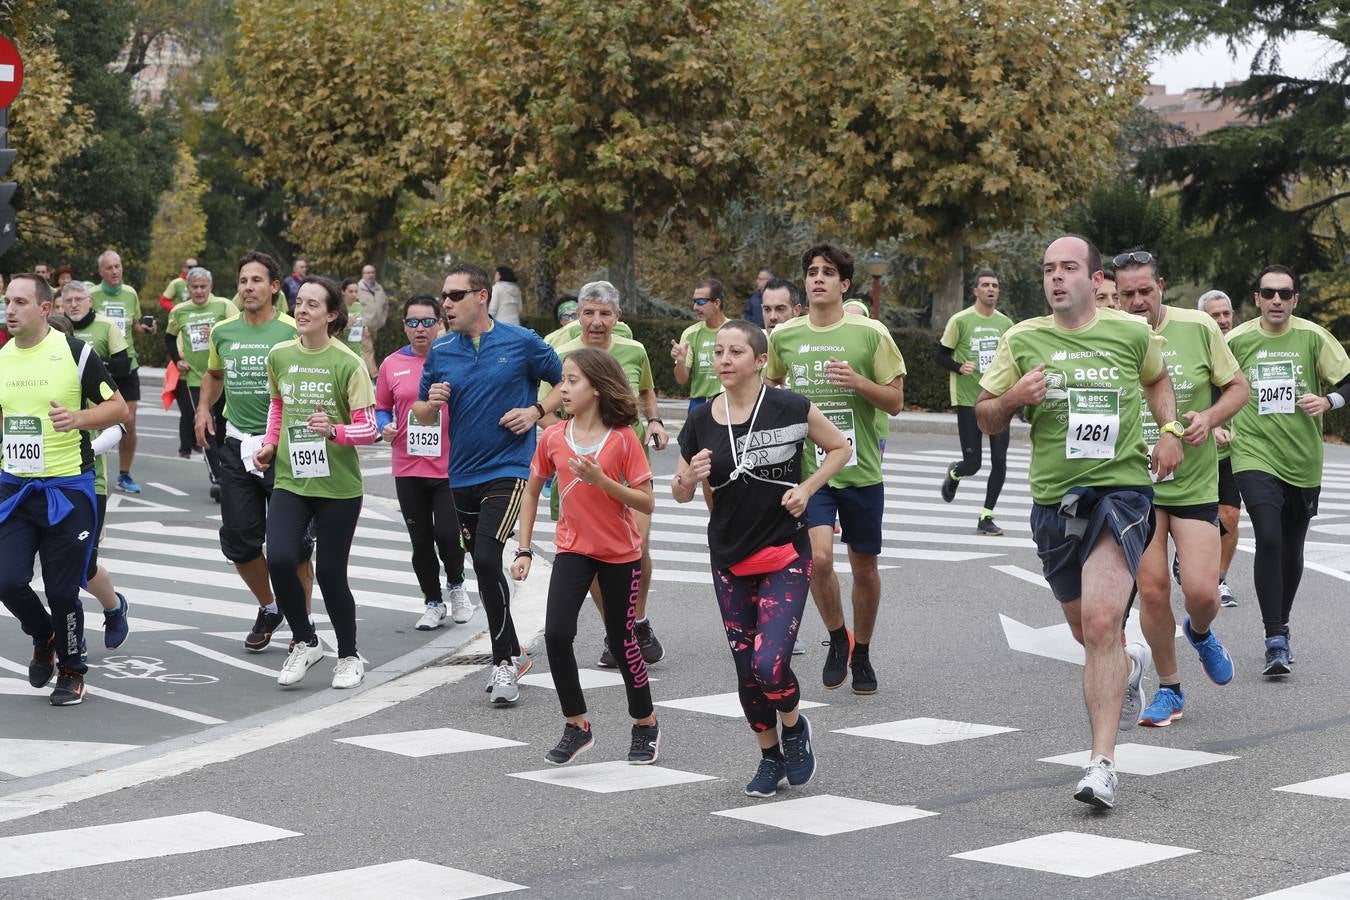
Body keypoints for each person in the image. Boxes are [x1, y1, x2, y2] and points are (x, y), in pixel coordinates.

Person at [976, 234, 1182, 810]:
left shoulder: (1131, 332)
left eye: (1069, 267)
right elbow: (986, 417)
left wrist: (1168, 432)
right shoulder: (1022, 338)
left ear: (1094, 279)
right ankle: (1129, 660)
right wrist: (1015, 395)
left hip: (1120, 491)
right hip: (1054, 502)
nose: (1057, 277)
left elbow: (1157, 380)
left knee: (1097, 621)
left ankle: (1102, 764)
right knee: (1087, 630)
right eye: (1048, 269)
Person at [676, 320, 851, 795]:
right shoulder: (699, 420)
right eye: (718, 352)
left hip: (784, 552)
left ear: (758, 360)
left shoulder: (788, 406)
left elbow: (839, 447)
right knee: (745, 671)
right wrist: (690, 476)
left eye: (736, 352)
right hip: (729, 556)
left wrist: (808, 488)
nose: (724, 360)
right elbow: (679, 492)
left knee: (769, 662)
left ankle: (794, 727)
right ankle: (769, 755)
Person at [413, 263, 563, 705]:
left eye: (455, 296)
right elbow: (420, 412)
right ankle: (513, 650)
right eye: (444, 296)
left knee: (483, 555)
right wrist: (430, 403)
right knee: (482, 563)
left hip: (510, 468)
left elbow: (567, 384)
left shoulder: (522, 343)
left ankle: (502, 662)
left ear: (482, 296)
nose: (446, 304)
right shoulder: (441, 351)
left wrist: (536, 412)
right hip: (461, 473)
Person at [765, 243, 906, 695]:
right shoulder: (784, 336)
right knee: (818, 558)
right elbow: (769, 385)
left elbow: (896, 401)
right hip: (810, 473)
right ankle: (835, 636)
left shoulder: (870, 334)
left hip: (861, 468)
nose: (818, 278)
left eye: (828, 272)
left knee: (864, 566)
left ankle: (861, 651)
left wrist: (858, 382)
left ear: (844, 285)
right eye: (812, 272)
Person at [1115, 250, 1244, 728]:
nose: (1135, 301)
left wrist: (1209, 419)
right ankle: (1170, 688)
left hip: (1192, 481)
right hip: (1136, 485)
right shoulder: (1106, 333)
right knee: (1151, 591)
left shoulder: (1197, 327)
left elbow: (1238, 388)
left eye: (1144, 291)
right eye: (1126, 293)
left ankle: (1201, 630)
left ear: (1161, 286)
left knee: (1202, 592)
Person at [514, 348, 661, 765]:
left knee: (621, 639)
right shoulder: (553, 437)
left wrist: (603, 481)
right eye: (563, 380)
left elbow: (646, 502)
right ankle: (577, 725)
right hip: (573, 551)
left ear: (595, 388)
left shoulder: (623, 439)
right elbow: (531, 490)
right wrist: (524, 549)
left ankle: (645, 723)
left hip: (619, 555)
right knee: (558, 634)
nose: (563, 388)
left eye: (572, 380)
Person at [0, 274, 128, 706]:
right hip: (14, 488)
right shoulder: (1, 358)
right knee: (7, 580)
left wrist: (77, 418)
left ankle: (72, 670)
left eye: (20, 302)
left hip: (68, 489)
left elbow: (118, 408)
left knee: (61, 589)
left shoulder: (76, 353)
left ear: (44, 307)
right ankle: (44, 635)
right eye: (7, 301)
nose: (10, 310)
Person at [1226, 265, 1350, 675]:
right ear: (1257, 298)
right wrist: (1217, 425)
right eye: (1269, 293)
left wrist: (1330, 401)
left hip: (1302, 459)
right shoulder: (1237, 340)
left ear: (1295, 299)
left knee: (1292, 548)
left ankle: (1283, 623)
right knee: (1269, 537)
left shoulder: (1313, 337)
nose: (1276, 300)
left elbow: (1348, 380)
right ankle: (1274, 636)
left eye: (1285, 293)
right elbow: (1212, 383)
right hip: (1253, 454)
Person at [255, 276, 377, 689]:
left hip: (339, 487)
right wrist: (271, 444)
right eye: (299, 303)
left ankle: (348, 655)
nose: (302, 310)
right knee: (281, 559)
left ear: (332, 315)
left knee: (329, 573)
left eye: (312, 305)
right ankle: (306, 641)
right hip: (291, 478)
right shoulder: (280, 355)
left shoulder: (347, 363)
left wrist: (335, 431)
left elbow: (370, 429)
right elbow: (278, 404)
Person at [544, 281, 669, 667]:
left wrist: (655, 420)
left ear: (618, 317)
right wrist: (560, 441)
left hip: (629, 470)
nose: (596, 322)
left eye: (605, 314)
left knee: (636, 548)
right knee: (596, 557)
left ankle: (637, 619)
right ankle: (620, 631)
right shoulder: (560, 355)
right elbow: (545, 409)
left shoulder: (634, 351)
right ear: (578, 315)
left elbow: (646, 391)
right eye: (589, 313)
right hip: (580, 473)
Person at [196, 252, 313, 653]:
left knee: (294, 546)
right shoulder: (223, 331)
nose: (248, 287)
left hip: (283, 447)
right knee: (240, 541)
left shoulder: (290, 330)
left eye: (257, 280)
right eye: (243, 280)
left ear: (275, 287)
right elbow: (214, 374)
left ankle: (304, 624)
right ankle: (270, 606)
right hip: (236, 444)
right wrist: (201, 410)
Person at [376, 295, 472, 630]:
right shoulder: (391, 364)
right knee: (421, 541)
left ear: (440, 324)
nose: (420, 329)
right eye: (412, 322)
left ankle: (458, 587)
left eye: (427, 322)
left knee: (448, 534)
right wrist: (383, 425)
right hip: (408, 465)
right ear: (403, 325)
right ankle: (433, 602)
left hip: (449, 466)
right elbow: (382, 407)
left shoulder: (456, 358)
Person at [46, 312, 131, 654]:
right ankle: (72, 636)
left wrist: (90, 447)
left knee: (83, 564)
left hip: (86, 482)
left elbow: (119, 423)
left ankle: (113, 607)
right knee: (56, 568)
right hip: (39, 482)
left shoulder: (81, 371)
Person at [935, 269, 1014, 535]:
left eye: (995, 285)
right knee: (974, 464)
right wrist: (959, 367)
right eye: (986, 285)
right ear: (976, 291)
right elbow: (941, 356)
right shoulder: (961, 321)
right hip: (969, 400)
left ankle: (986, 516)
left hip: (998, 400)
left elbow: (1013, 362)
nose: (991, 289)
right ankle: (956, 473)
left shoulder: (1006, 325)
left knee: (1000, 461)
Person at [89, 250, 152, 495]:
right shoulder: (92, 295)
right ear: (100, 272)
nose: (115, 271)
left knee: (128, 421)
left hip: (127, 365)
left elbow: (134, 324)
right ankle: (89, 467)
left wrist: (145, 328)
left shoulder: (130, 293)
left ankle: (124, 475)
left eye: (118, 266)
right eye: (109, 268)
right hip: (98, 367)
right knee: (93, 422)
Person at [165, 267, 233, 476]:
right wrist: (177, 360)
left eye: (203, 286)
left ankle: (228, 472)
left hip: (225, 378)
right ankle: (217, 476)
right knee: (205, 428)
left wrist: (215, 332)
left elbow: (238, 333)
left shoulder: (224, 305)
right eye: (195, 287)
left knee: (224, 428)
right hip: (196, 378)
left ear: (211, 287)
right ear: (188, 288)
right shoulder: (179, 311)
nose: (199, 291)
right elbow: (168, 337)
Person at [1199, 289, 1241, 608]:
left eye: (1226, 314)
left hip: (1235, 453)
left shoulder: (1243, 346)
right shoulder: (1196, 347)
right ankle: (1190, 562)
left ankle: (1219, 579)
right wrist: (1210, 425)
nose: (1223, 320)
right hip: (1199, 452)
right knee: (1204, 518)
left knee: (1230, 514)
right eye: (1215, 315)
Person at [672, 277, 729, 413]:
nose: (695, 307)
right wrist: (680, 362)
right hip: (699, 404)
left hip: (729, 401)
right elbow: (681, 379)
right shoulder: (690, 334)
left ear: (716, 303)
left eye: (701, 302)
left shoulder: (735, 330)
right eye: (694, 302)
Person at [340, 276, 377, 377]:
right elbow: (330, 331)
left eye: (356, 291)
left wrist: (365, 330)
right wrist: (346, 324)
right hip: (341, 350)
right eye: (350, 291)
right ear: (343, 292)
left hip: (357, 349)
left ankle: (374, 377)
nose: (354, 295)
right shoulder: (338, 308)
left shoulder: (359, 306)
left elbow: (362, 323)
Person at [357, 263, 391, 338]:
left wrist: (383, 320)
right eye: (368, 273)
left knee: (373, 349)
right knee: (366, 349)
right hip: (362, 329)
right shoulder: (357, 289)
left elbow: (385, 305)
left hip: (377, 329)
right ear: (363, 274)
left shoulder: (379, 288)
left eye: (373, 272)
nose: (371, 275)